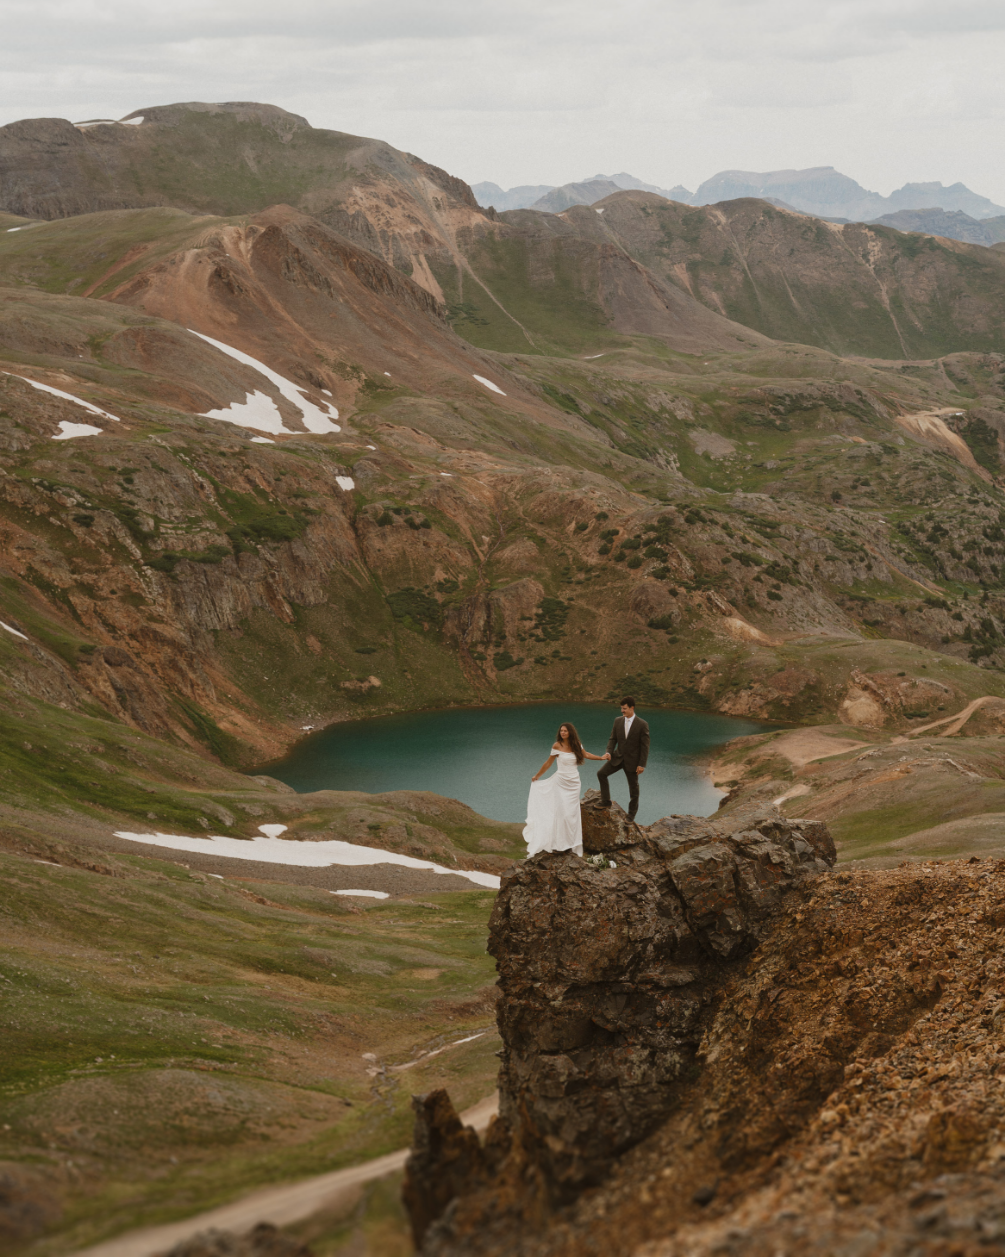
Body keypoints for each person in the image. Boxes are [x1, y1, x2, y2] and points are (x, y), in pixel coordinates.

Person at [524, 722, 608, 856]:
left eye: (565, 731)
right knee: (562, 813)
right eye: (561, 731)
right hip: (560, 782)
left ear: (570, 732)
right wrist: (537, 776)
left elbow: (586, 755)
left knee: (572, 814)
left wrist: (601, 758)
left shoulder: (576, 744)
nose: (563, 733)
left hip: (574, 783)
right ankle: (559, 844)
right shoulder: (557, 745)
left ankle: (571, 843)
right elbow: (548, 763)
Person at [596, 696, 650, 821]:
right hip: (617, 757)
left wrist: (642, 764)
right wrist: (608, 752)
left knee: (633, 789)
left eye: (624, 708)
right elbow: (612, 739)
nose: (622, 711)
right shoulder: (618, 721)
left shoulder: (642, 724)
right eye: (621, 708)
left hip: (633, 762)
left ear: (632, 708)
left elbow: (645, 747)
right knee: (601, 773)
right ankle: (605, 801)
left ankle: (631, 815)